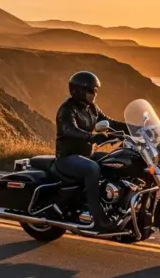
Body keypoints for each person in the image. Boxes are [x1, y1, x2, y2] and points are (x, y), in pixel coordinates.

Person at [54, 71, 129, 233]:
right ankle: (98, 219)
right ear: (80, 91)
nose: (95, 94)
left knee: (115, 162)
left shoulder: (92, 108)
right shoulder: (67, 109)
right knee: (92, 169)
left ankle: (116, 209)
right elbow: (69, 129)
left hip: (86, 156)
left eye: (96, 90)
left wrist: (131, 127)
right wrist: (93, 137)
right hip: (67, 158)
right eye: (92, 90)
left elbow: (109, 122)